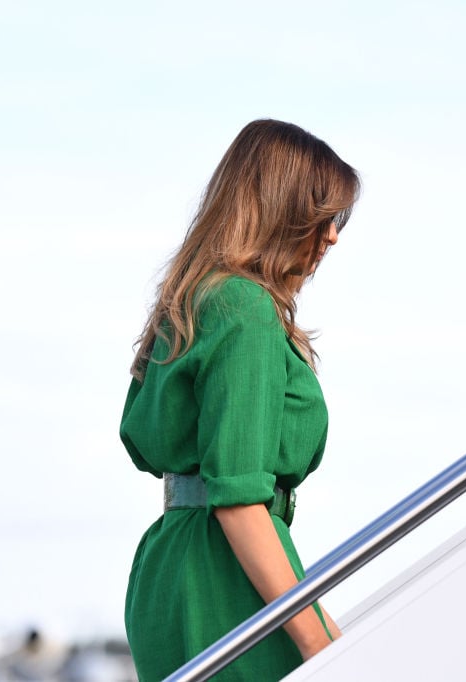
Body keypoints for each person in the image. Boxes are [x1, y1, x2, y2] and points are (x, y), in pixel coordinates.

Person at [120, 119, 360, 681]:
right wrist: (321, 642)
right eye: (322, 216)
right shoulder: (243, 308)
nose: (332, 236)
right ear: (281, 208)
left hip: (168, 566)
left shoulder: (191, 302)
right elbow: (238, 498)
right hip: (226, 573)